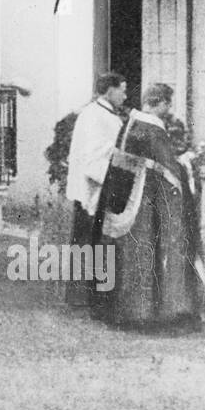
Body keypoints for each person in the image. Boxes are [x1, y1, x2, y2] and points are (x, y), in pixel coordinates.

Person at [102, 83, 204, 333]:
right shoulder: (152, 129)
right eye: (168, 104)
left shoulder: (130, 124)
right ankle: (156, 313)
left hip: (130, 202)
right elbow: (171, 171)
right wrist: (189, 160)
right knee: (156, 253)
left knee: (137, 254)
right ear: (160, 102)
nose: (169, 109)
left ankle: (131, 310)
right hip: (150, 205)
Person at [64, 71, 128, 313]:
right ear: (109, 90)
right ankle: (84, 296)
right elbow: (93, 156)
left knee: (92, 242)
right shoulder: (96, 116)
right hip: (93, 187)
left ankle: (92, 295)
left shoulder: (101, 114)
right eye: (121, 89)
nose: (124, 94)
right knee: (88, 241)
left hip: (98, 185)